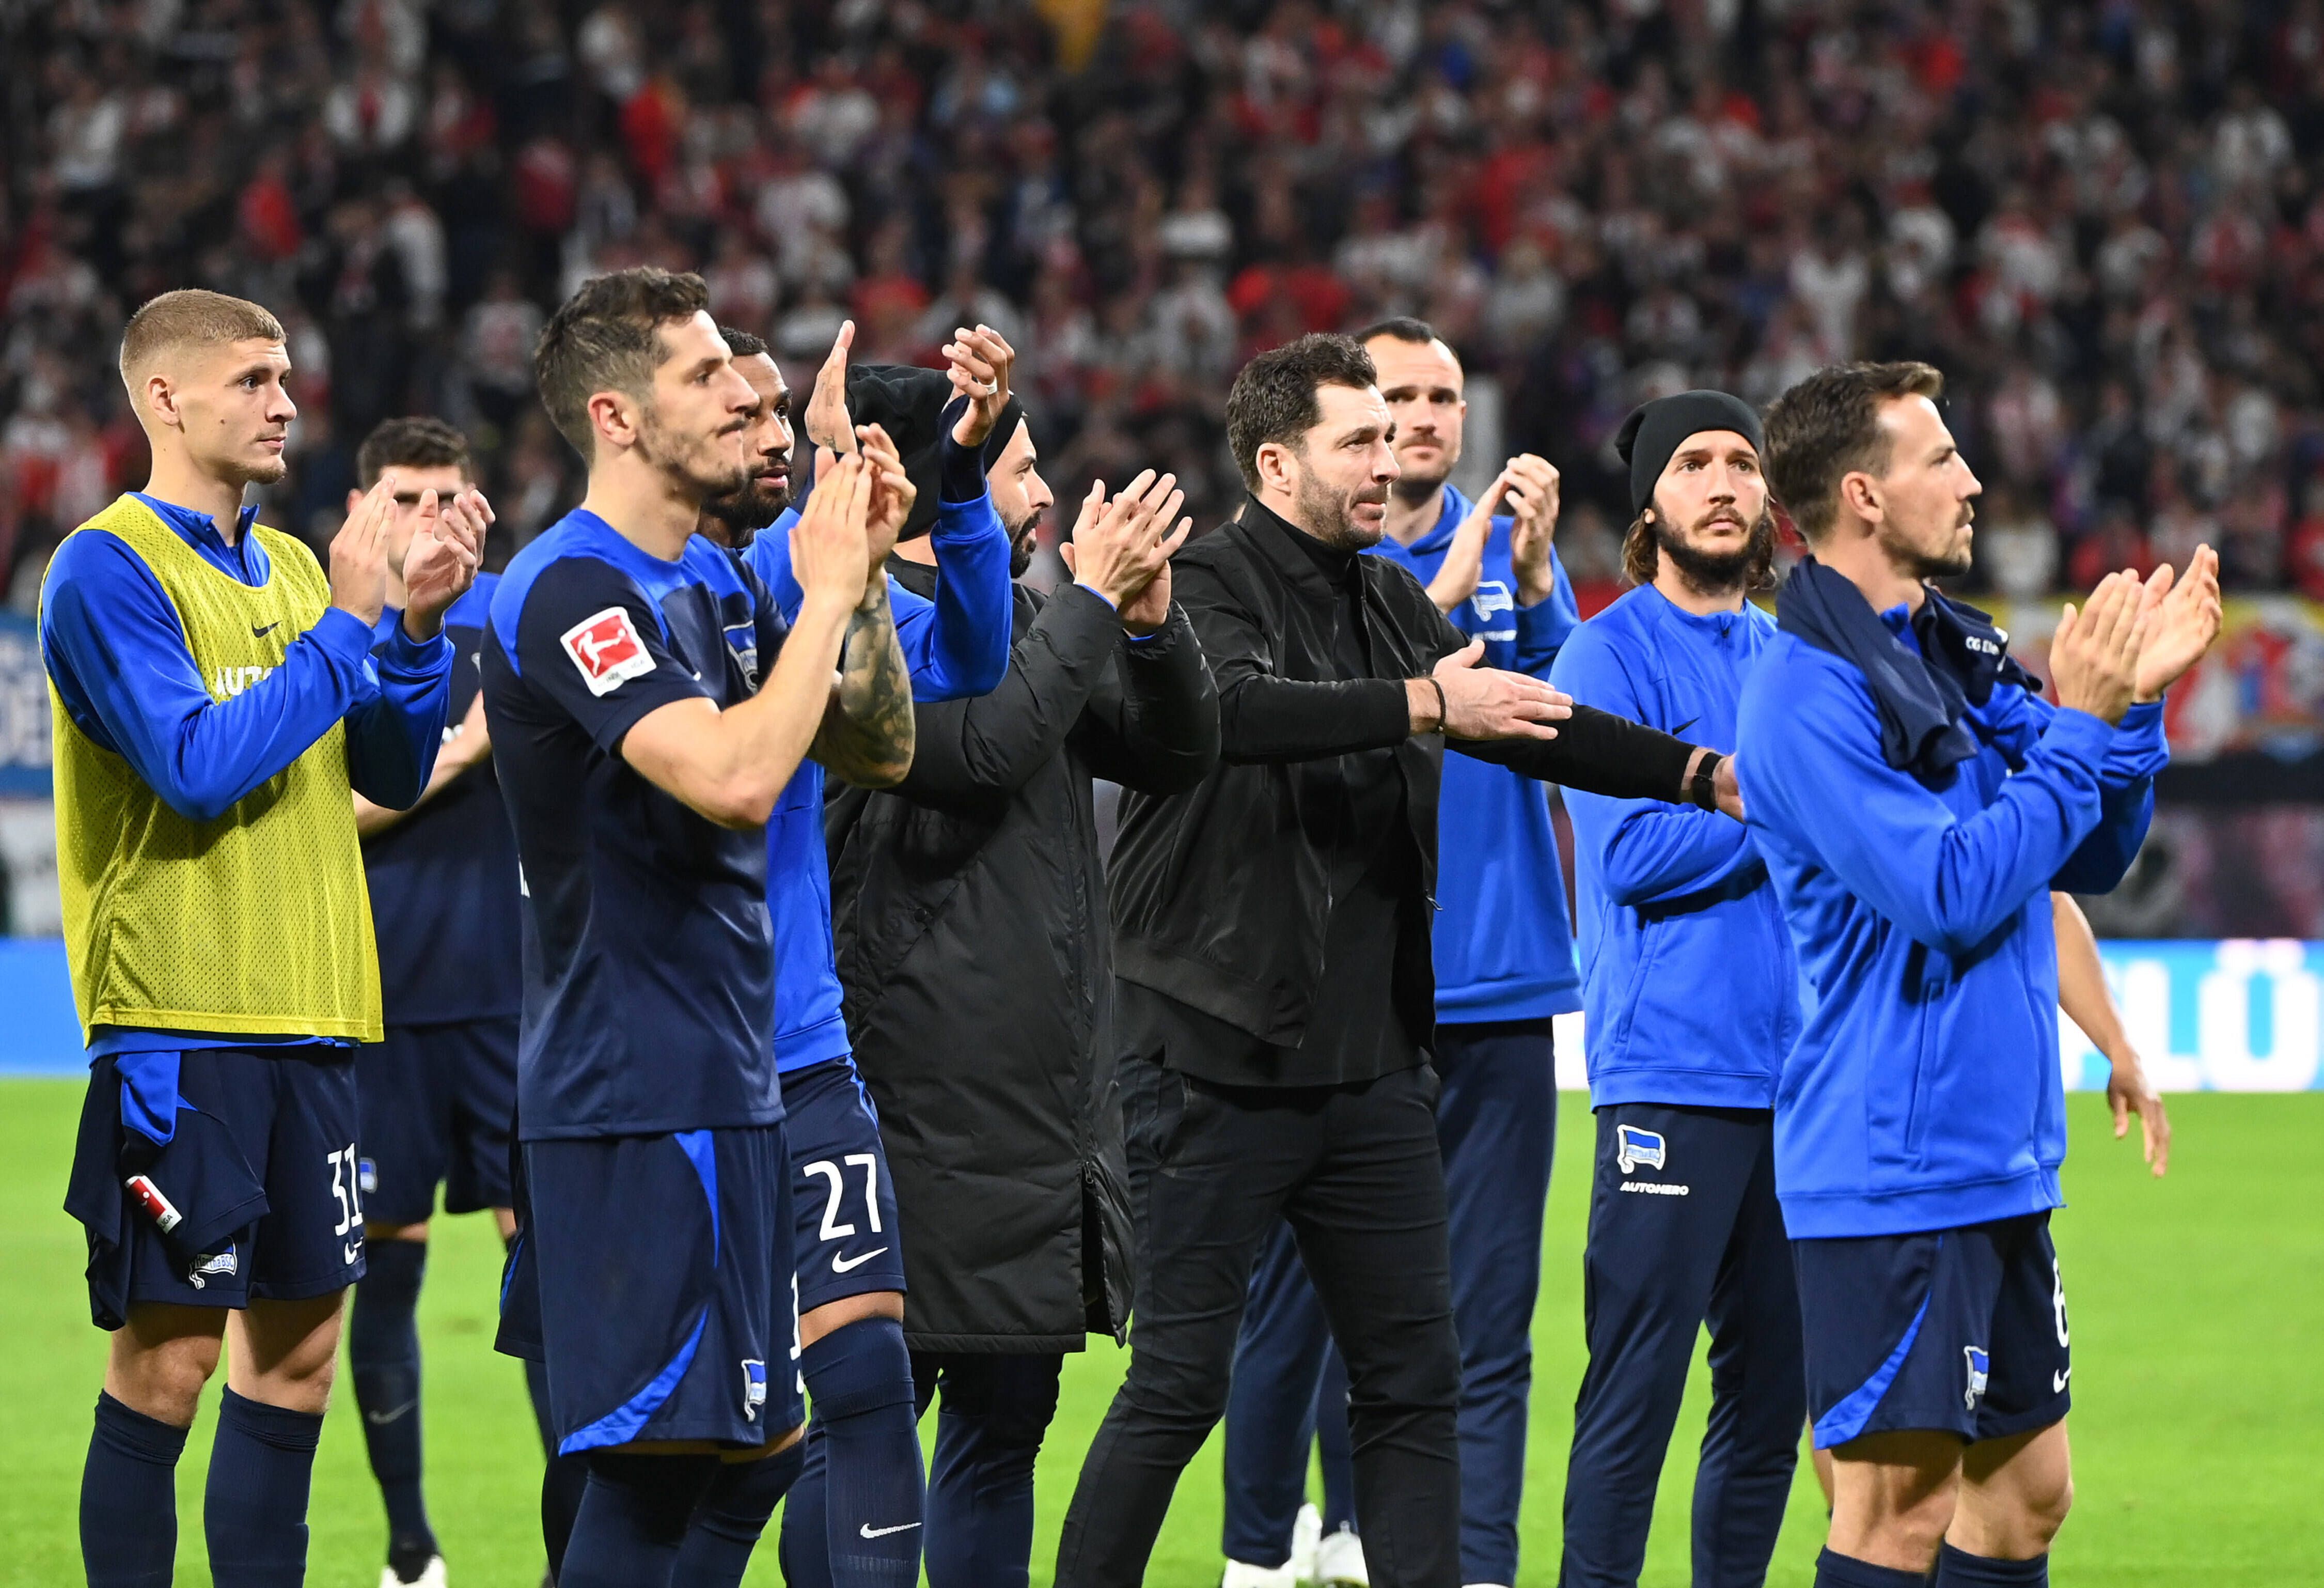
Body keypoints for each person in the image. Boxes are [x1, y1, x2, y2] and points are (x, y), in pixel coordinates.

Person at [1056, 332, 1736, 1588]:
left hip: (1371, 1067)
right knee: (1179, 1386)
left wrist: (1699, 774)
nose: (1392, 460)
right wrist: (1428, 704)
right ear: (1276, 460)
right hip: (1214, 1057)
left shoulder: (1380, 598)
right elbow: (1231, 716)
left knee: (1416, 1386)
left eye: (1395, 434)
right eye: (1358, 441)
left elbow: (1531, 723)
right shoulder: (1200, 586)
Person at [1740, 361, 2216, 1588]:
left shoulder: (1949, 649)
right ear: (1863, 495)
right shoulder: (1806, 693)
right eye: (1942, 459)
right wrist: (2080, 722)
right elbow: (1948, 894)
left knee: (2023, 1502)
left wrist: (2130, 714)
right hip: (1895, 1167)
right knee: (1898, 1512)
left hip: (1994, 1154)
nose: (1975, 480)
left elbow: (2090, 851)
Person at [45, 287, 479, 1587]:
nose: (286, 401)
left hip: (321, 1017)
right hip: (187, 1026)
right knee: (168, 1366)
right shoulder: (107, 568)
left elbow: (394, 773)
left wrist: (410, 631)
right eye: (251, 379)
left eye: (286, 377)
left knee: (294, 1366)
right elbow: (189, 764)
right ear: (165, 400)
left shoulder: (298, 568)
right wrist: (351, 629)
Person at [481, 267, 906, 1588]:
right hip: (635, 1086)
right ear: (616, 415)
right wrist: (826, 595)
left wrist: (868, 582)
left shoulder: (714, 584)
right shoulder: (568, 590)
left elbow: (879, 743)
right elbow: (732, 778)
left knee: (757, 1445)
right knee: (656, 1468)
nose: (748, 393)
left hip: (730, 1078)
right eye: (706, 373)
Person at [1217, 316, 1581, 1588]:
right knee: (1290, 1311)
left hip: (1500, 983)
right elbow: (1320, 704)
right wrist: (1451, 582)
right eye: (1394, 403)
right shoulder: (1327, 567)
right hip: (1339, 991)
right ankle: (1261, 1555)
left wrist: (1534, 584)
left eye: (1441, 398)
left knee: (1478, 1319)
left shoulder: (1523, 557)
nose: (1422, 422)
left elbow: (1559, 721)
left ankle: (1446, 1560)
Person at [827, 440, 1218, 1586]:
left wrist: (1149, 625)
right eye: (1021, 470)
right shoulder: (862, 620)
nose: (1046, 494)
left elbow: (1176, 754)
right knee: (861, 1425)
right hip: (906, 1091)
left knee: (1005, 1428)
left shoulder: (1031, 618)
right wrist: (1090, 600)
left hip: (1042, 1103)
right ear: (935, 494)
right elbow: (982, 754)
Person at [671, 320, 1018, 1588]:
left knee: (865, 1379)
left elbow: (972, 659)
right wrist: (828, 487)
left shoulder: (799, 588)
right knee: (691, 1438)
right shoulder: (623, 595)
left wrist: (956, 484)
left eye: (783, 414)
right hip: (659, 1078)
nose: (770, 435)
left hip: (807, 1056)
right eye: (747, 413)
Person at [1547, 391, 1802, 1588]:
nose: (1723, 482)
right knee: (1633, 1396)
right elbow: (1632, 857)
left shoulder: (1795, 654)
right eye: (1694, 462)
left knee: (1770, 1404)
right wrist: (1794, 805)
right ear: (1651, 500)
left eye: (1742, 463)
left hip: (1801, 1084)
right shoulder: (1607, 649)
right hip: (1673, 1076)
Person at [333, 415, 539, 1588]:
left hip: (519, 1004)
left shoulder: (519, 617)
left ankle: (582, 1551)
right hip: (383, 1005)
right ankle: (412, 1551)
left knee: (551, 1283)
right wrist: (459, 752)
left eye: (448, 498)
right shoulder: (339, 627)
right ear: (364, 507)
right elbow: (324, 809)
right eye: (405, 499)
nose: (428, 521)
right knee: (387, 1277)